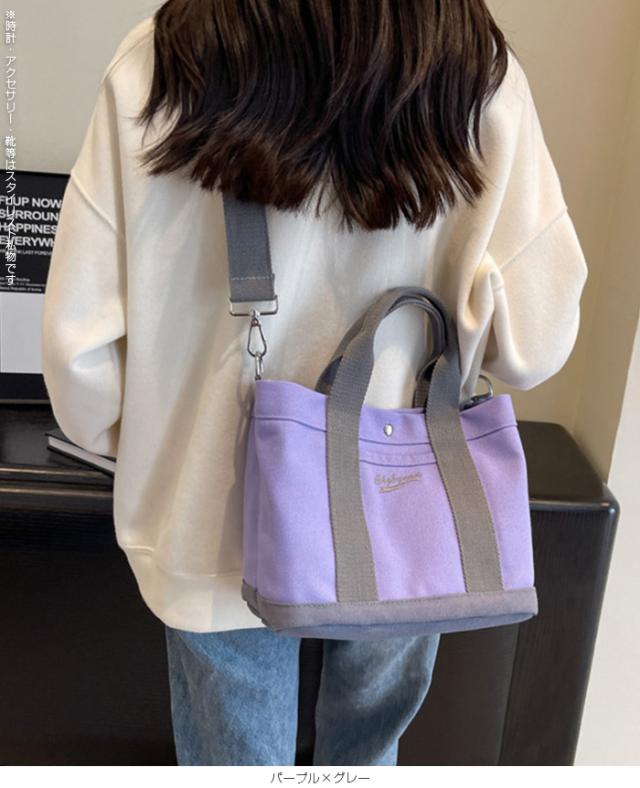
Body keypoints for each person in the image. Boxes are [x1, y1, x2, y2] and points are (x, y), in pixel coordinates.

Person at [41, 0, 588, 767]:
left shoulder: (157, 65)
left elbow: (81, 354)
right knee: (365, 751)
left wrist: (153, 451)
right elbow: (536, 340)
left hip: (208, 507)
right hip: (405, 501)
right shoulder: (476, 74)